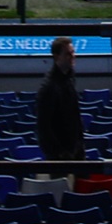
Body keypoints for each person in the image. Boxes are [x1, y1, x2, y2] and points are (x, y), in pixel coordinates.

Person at [35, 37, 85, 167]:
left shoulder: (69, 80)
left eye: (73, 52)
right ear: (57, 56)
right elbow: (44, 127)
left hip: (75, 151)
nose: (72, 56)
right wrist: (60, 153)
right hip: (60, 157)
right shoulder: (49, 87)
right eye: (68, 54)